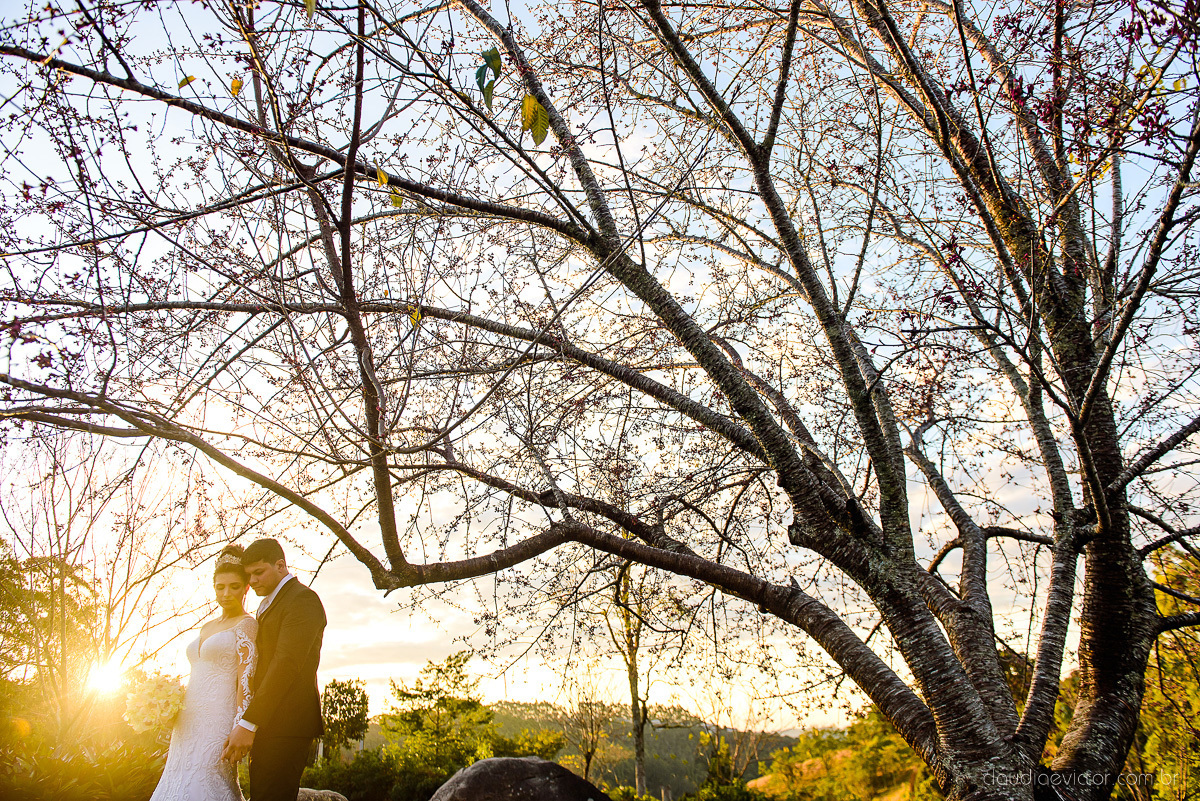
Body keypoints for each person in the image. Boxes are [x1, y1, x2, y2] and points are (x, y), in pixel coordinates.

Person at [149, 545, 257, 801]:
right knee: (178, 778)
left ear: (246, 588)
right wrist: (168, 706)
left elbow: (246, 678)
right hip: (187, 722)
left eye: (233, 586)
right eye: (220, 587)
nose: (226, 593)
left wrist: (241, 724)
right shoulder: (207, 626)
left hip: (218, 720)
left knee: (207, 778)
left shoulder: (247, 625)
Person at [222, 537, 327, 801]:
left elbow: (286, 664)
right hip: (269, 721)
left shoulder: (303, 600)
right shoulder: (269, 603)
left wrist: (248, 721)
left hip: (288, 723)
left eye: (259, 572)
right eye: (249, 575)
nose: (253, 581)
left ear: (281, 565)